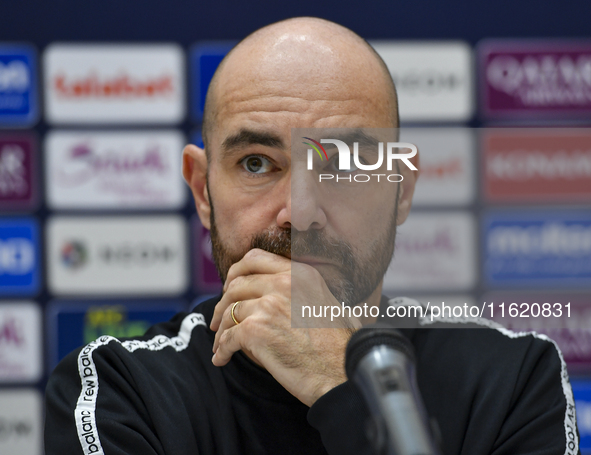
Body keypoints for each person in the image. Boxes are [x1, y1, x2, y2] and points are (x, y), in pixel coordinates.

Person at [45, 17, 579, 455]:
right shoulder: (118, 388)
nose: (300, 214)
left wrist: (340, 388)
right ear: (203, 192)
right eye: (256, 163)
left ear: (402, 191)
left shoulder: (510, 379)